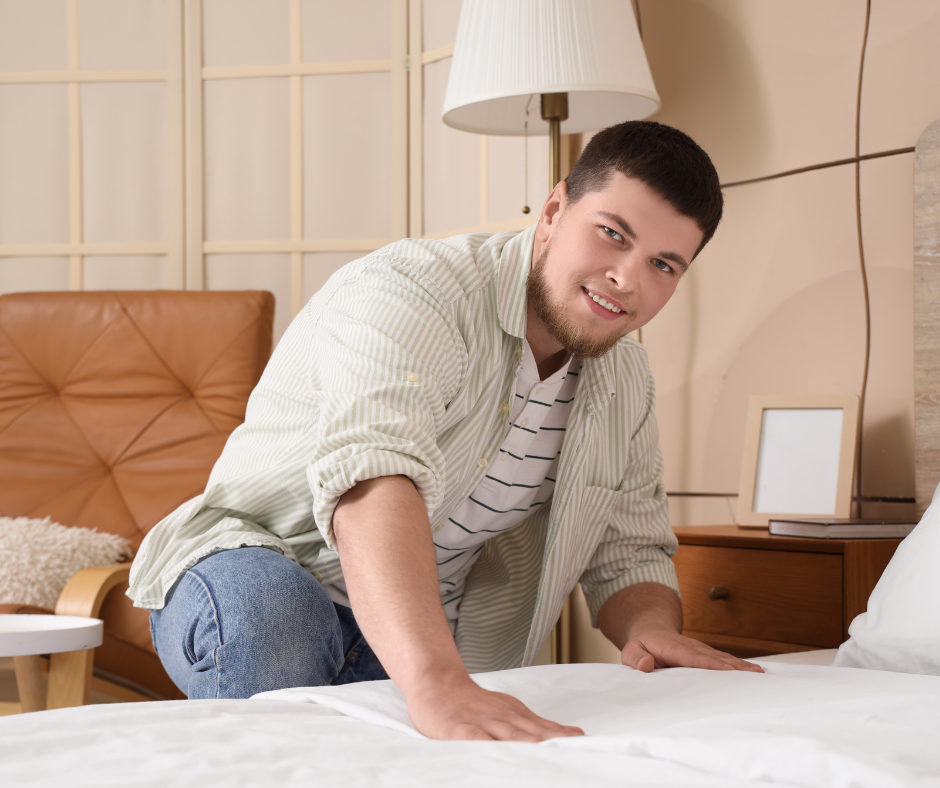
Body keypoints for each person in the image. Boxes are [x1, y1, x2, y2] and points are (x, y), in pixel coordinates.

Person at [129, 120, 762, 742]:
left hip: (422, 636)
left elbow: (629, 547)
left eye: (663, 264)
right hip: (258, 569)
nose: (628, 277)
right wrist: (436, 683)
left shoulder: (626, 379)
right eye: (610, 234)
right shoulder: (414, 289)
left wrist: (651, 626)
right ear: (552, 208)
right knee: (277, 618)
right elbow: (372, 484)